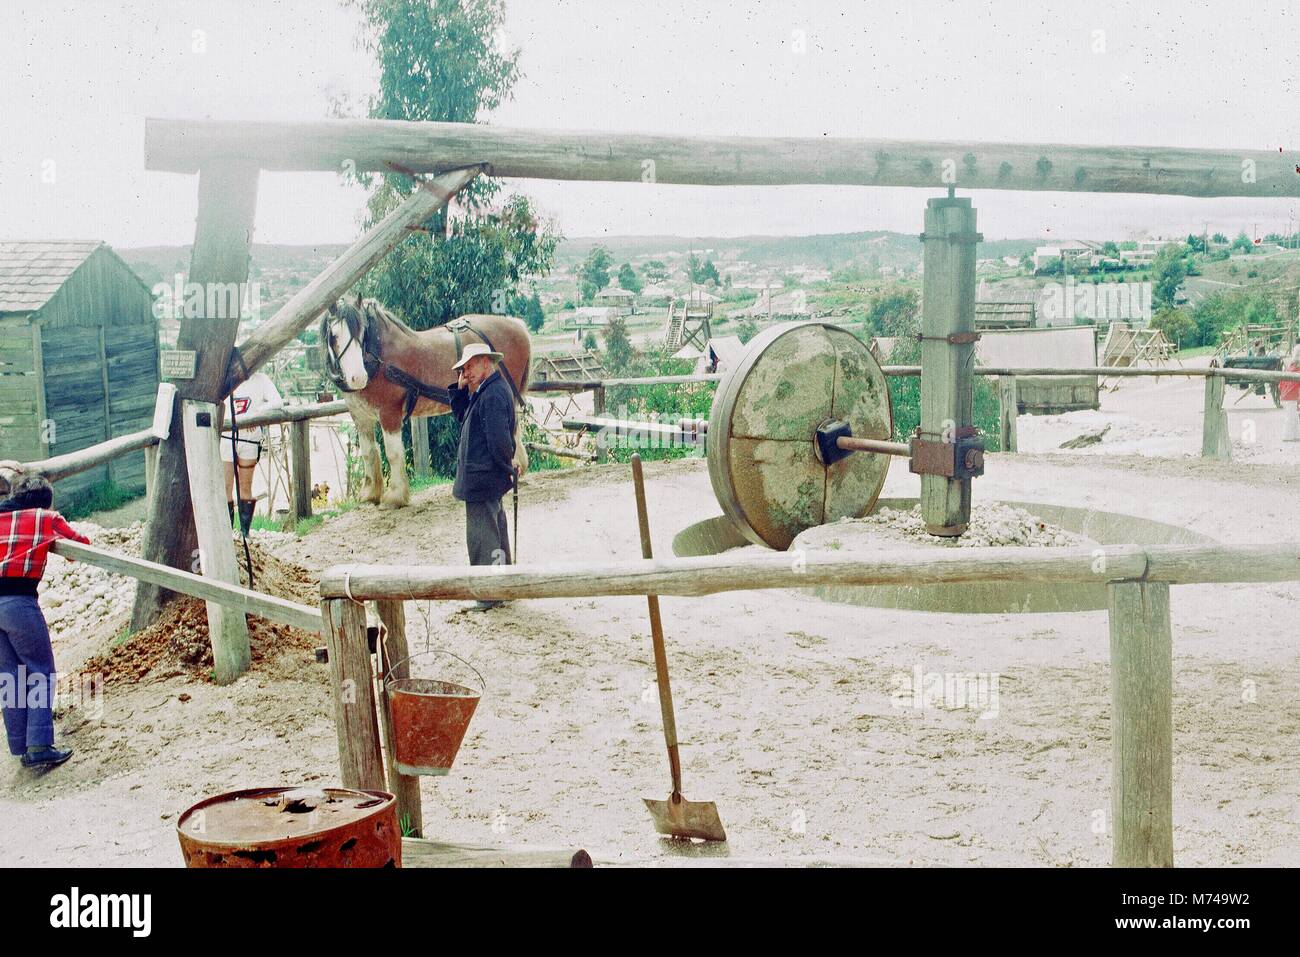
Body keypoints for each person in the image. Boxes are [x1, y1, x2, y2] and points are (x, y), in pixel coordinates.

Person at [0, 473, 89, 769]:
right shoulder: (45, 518)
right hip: (19, 602)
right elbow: (82, 546)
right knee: (40, 670)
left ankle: (20, 745)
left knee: (10, 676)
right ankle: (38, 745)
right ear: (45, 500)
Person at [447, 343, 519, 611]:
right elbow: (464, 418)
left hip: (483, 478)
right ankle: (501, 588)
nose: (466, 373)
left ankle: (489, 594)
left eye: (470, 366)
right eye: (464, 369)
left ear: (486, 362)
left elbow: (499, 440)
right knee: (495, 533)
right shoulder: (488, 390)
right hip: (486, 478)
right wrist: (461, 389)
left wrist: (507, 466)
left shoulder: (492, 394)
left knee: (481, 537)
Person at [221, 371, 283, 534]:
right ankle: (227, 533)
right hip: (226, 438)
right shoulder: (226, 377)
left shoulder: (261, 379)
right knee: (225, 485)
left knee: (245, 485)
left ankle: (244, 532)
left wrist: (256, 413)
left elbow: (277, 402)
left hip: (249, 439)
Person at [1282, 344, 1300, 443]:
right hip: (1291, 396)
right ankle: (1287, 435)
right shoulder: (1296, 369)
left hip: (1289, 395)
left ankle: (1296, 434)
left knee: (1294, 416)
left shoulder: (1290, 368)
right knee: (1291, 416)